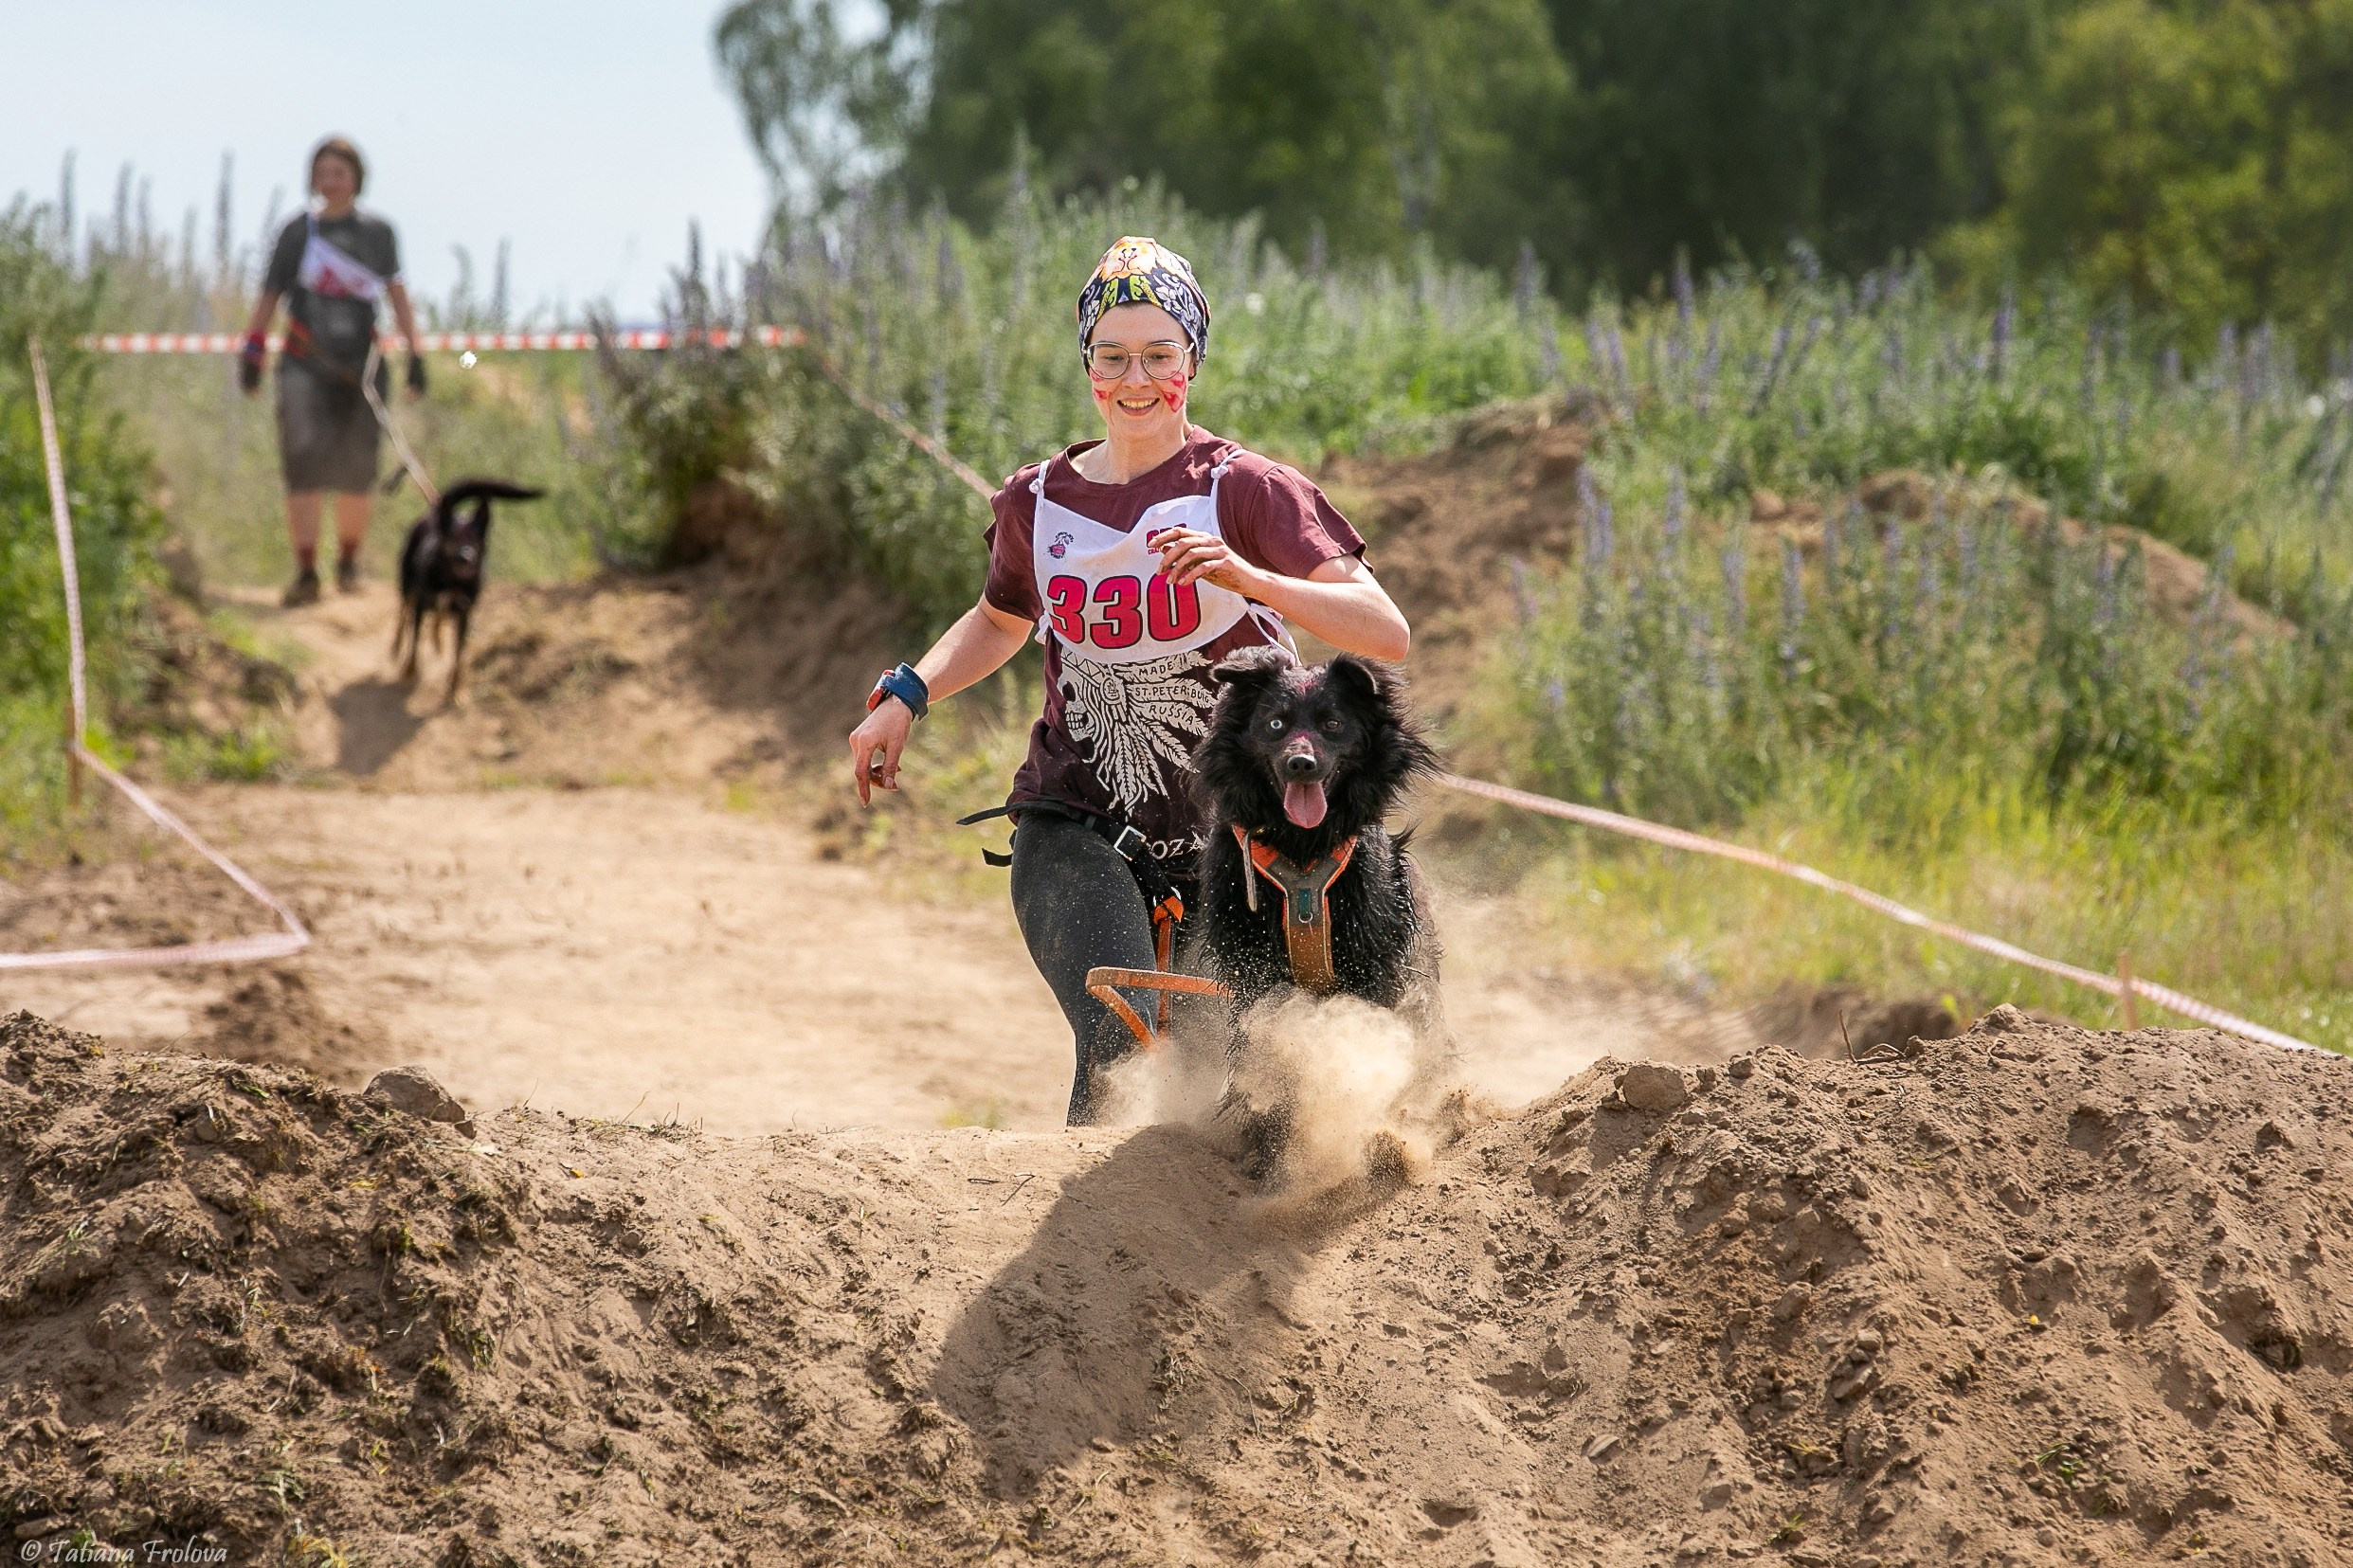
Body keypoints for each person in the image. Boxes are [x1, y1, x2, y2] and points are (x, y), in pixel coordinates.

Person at [844, 236, 1413, 1125]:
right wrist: (907, 694)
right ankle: (1079, 1268)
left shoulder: (1245, 490)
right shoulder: (1036, 500)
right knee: (1120, 1038)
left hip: (1234, 845)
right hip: (1073, 819)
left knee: (1228, 1086)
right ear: (1086, 366)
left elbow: (1387, 631)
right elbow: (999, 618)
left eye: (1160, 354)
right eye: (1111, 356)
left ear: (1193, 359)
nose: (1136, 377)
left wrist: (1249, 577)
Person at [237, 135, 426, 605]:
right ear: (312, 178)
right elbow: (269, 295)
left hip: (361, 367)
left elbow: (397, 296)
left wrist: (416, 356)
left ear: (356, 178)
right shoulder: (296, 233)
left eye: (339, 172)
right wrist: (253, 350)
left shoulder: (378, 234)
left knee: (356, 471)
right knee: (302, 465)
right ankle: (305, 573)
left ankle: (348, 565)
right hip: (304, 365)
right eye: (323, 172)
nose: (331, 181)